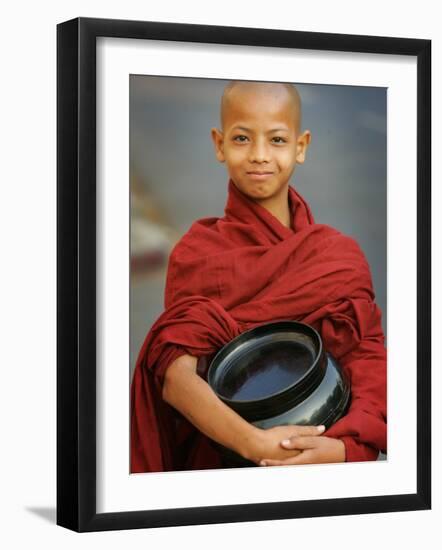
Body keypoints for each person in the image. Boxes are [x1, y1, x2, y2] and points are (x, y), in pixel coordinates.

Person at [130, 80, 387, 473]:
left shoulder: (336, 256)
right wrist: (254, 444)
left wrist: (348, 449)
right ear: (219, 144)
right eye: (242, 138)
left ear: (301, 147)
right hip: (225, 460)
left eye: (278, 140)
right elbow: (175, 378)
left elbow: (366, 356)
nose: (260, 155)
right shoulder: (198, 254)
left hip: (324, 454)